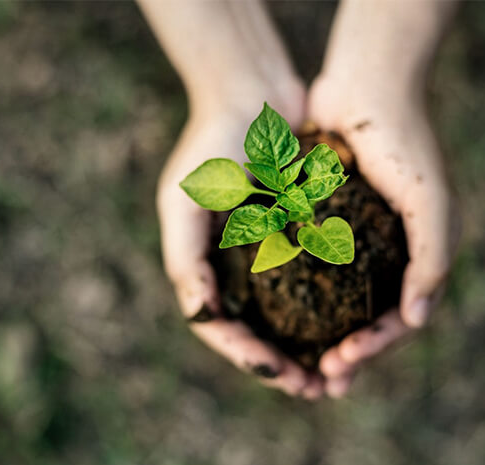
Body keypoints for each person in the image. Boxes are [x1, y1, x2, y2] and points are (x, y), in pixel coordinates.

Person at [137, 0, 460, 399]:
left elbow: (325, 224)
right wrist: (228, 86)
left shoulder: (314, 195)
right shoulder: (282, 209)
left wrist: (384, 70)